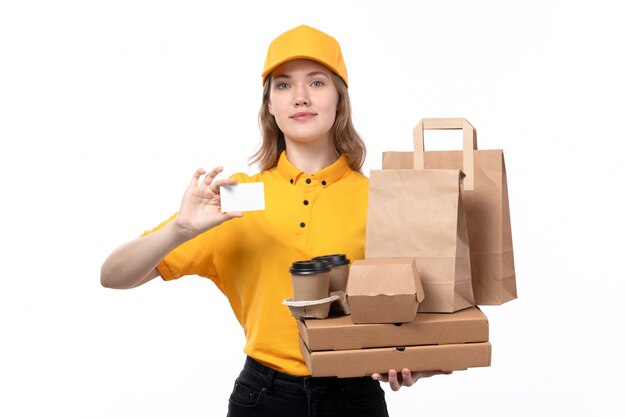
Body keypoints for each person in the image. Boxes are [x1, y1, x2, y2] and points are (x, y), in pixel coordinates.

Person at [101, 24, 447, 417]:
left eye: (316, 83)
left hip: (355, 396)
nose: (300, 97)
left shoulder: (380, 198)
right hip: (263, 399)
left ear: (340, 99)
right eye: (283, 86)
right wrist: (178, 230)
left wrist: (413, 362)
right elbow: (113, 275)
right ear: (269, 104)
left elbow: (425, 310)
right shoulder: (236, 199)